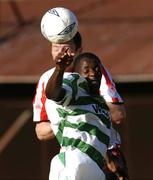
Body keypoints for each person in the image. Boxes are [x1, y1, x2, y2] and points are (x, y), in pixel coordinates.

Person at [33, 32, 128, 178]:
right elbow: (54, 96)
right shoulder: (68, 83)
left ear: (78, 50)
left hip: (99, 157)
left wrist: (87, 114)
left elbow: (118, 115)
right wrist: (70, 119)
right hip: (74, 156)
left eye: (66, 47)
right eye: (56, 47)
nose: (61, 52)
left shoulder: (96, 72)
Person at [45, 51, 112, 179]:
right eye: (86, 70)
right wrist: (60, 69)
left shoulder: (103, 105)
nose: (93, 73)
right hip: (75, 159)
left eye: (97, 69)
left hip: (96, 168)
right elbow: (53, 94)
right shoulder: (77, 85)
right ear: (77, 72)